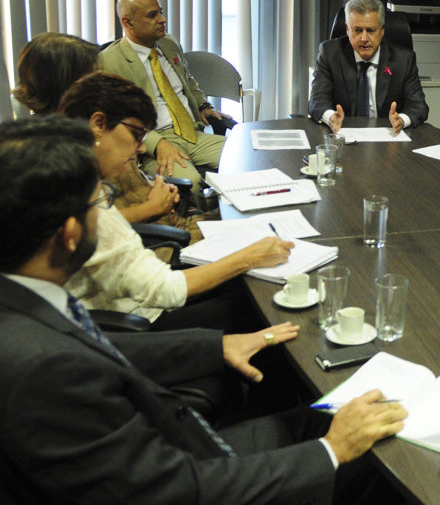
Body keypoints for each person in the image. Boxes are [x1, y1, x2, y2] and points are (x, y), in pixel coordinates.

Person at [0, 117, 408, 502]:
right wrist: (331, 452)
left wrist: (218, 345)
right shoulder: (42, 370)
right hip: (191, 474)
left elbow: (103, 344)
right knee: (381, 457)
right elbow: (177, 492)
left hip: (171, 443)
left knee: (331, 411)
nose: (107, 213)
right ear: (69, 234)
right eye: (101, 203)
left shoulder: (24, 298)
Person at [57, 72, 292, 329]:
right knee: (262, 306)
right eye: (137, 134)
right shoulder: (79, 201)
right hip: (137, 321)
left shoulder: (82, 179)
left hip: (138, 297)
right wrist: (249, 257)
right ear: (98, 124)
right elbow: (163, 290)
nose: (142, 149)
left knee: (252, 285)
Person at [12, 32, 205, 247]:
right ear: (67, 84)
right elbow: (85, 224)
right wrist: (151, 207)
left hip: (168, 221)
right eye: (93, 74)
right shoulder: (54, 151)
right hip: (152, 242)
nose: (101, 79)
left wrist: (156, 186)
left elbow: (126, 184)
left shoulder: (90, 123)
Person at [98, 0, 229, 188]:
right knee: (190, 184)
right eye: (153, 15)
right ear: (128, 22)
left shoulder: (169, 44)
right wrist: (157, 144)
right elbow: (118, 119)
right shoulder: (110, 61)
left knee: (246, 160)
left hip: (193, 133)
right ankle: (203, 217)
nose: (162, 19)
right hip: (155, 140)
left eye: (160, 12)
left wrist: (203, 105)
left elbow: (188, 80)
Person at [308, 0, 429, 134]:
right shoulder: (330, 53)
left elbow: (419, 106)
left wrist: (401, 120)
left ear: (382, 30)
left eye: (370, 30)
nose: (364, 38)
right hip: (343, 135)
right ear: (347, 29)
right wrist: (331, 118)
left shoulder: (403, 59)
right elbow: (317, 101)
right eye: (357, 30)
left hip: (386, 139)